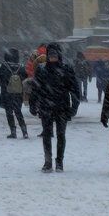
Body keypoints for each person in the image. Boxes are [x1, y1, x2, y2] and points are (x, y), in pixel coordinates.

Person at [30, 42, 81, 172]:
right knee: (47, 135)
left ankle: (59, 161)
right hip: (46, 106)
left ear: (59, 56)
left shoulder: (66, 69)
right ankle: (48, 161)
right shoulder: (42, 69)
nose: (53, 59)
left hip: (62, 107)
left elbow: (74, 89)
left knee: (60, 135)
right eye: (51, 56)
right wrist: (33, 103)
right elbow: (36, 88)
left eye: (55, 56)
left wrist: (74, 106)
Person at [0, 48, 28, 139]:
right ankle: (24, 131)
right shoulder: (20, 66)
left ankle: (13, 131)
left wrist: (6, 83)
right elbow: (25, 77)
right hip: (18, 93)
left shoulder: (4, 66)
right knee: (18, 112)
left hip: (7, 93)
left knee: (9, 112)